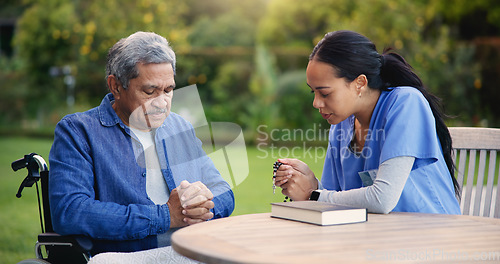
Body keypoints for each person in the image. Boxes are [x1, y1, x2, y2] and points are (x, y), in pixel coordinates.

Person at [48, 31, 235, 259]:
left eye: (169, 90)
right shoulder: (79, 131)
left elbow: (224, 192)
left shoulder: (180, 128)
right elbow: (70, 212)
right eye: (150, 91)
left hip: (191, 250)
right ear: (115, 86)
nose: (162, 102)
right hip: (128, 257)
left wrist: (204, 205)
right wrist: (166, 216)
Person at [275, 30, 461, 215]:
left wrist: (313, 195)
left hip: (432, 236)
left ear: (360, 83)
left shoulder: (405, 103)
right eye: (313, 92)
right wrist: (311, 183)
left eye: (324, 93)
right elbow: (332, 196)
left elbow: (382, 199)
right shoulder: (341, 125)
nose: (316, 103)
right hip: (377, 238)